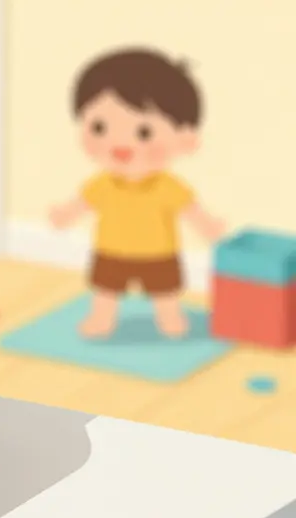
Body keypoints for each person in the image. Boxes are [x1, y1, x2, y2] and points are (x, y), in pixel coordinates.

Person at [49, 48, 227, 339]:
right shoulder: (102, 184)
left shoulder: (168, 187)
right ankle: (101, 318)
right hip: (110, 250)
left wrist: (209, 227)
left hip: (158, 253)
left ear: (185, 140)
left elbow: (190, 210)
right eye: (99, 127)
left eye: (144, 133)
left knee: (164, 291)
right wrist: (64, 215)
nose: (121, 143)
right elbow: (82, 203)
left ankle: (170, 318)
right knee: (106, 290)